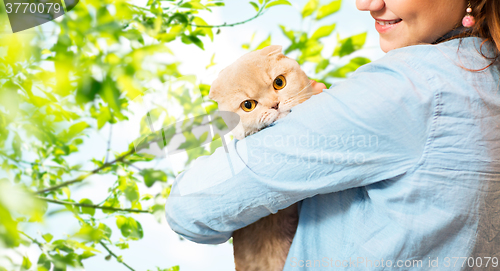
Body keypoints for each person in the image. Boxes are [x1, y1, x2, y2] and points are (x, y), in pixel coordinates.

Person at [165, 0, 500, 270]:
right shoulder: (486, 77)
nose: (365, 4)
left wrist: (298, 124)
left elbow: (190, 209)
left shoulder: (411, 86)